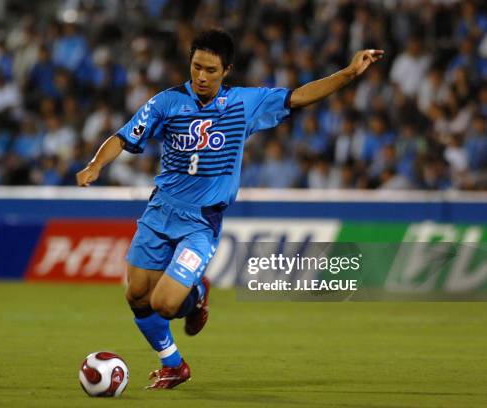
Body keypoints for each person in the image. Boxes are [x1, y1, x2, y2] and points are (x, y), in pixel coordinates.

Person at [76, 29, 383, 389]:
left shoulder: (244, 103)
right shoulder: (166, 103)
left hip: (200, 222)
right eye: (196, 67)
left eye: (210, 70)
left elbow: (299, 97)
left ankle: (198, 295)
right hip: (159, 212)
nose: (201, 77)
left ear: (227, 70)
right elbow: (123, 136)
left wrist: (347, 73)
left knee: (165, 304)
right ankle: (173, 364)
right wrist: (96, 165)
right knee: (136, 295)